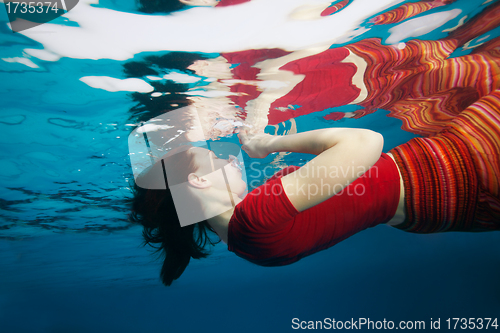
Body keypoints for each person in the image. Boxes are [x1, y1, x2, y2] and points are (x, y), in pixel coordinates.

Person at [130, 88, 500, 286]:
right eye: (215, 158)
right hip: (450, 172)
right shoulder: (255, 217)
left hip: (437, 208)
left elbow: (330, 212)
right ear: (197, 181)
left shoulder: (242, 243)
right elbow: (367, 143)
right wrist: (267, 145)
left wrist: (281, 166)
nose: (228, 159)